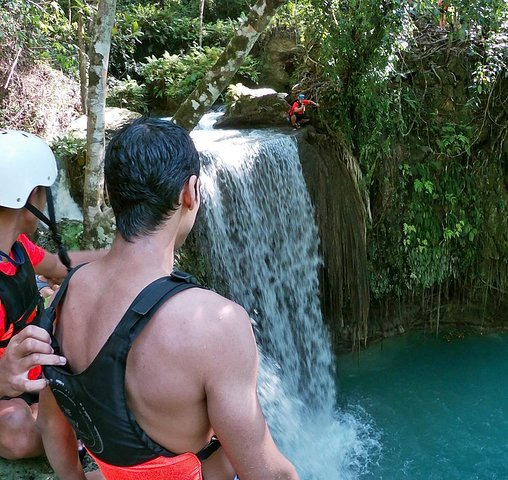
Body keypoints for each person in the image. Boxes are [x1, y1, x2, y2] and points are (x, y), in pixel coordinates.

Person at [37, 118, 299, 480]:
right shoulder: (215, 323)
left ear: (112, 195)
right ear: (189, 192)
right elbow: (271, 475)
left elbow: (52, 424)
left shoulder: (67, 296)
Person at [0, 129, 105, 460]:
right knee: (14, 428)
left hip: (28, 373)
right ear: (31, 197)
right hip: (9, 386)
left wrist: (127, 253)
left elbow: (62, 265)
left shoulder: (16, 248)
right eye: (45, 193)